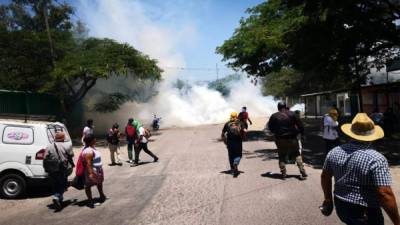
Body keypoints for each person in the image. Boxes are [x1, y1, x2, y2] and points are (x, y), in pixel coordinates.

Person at [320, 113, 400, 225]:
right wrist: (397, 222)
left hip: (341, 206)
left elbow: (325, 176)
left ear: (351, 133)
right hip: (365, 213)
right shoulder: (376, 159)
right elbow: (384, 193)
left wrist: (328, 199)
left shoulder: (334, 152)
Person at [267, 102, 307, 180]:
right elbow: (300, 125)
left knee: (281, 155)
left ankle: (284, 173)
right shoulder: (292, 114)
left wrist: (276, 132)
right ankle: (302, 171)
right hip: (292, 138)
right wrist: (302, 134)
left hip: (280, 139)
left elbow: (270, 127)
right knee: (297, 154)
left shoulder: (274, 116)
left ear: (278, 107)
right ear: (285, 106)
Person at [44, 132, 74, 210]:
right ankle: (57, 197)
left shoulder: (49, 146)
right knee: (62, 184)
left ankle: (59, 200)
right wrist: (72, 165)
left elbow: (45, 157)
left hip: (51, 169)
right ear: (63, 138)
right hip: (62, 168)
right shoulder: (66, 145)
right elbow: (70, 156)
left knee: (55, 185)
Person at [82, 134, 107, 208]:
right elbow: (88, 163)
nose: (96, 140)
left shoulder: (91, 148)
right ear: (92, 140)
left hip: (98, 169)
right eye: (94, 139)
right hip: (93, 170)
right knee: (88, 185)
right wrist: (91, 173)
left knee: (99, 183)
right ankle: (90, 202)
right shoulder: (88, 151)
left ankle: (102, 196)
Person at [221, 112, 243, 178]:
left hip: (230, 142)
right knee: (239, 154)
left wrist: (225, 142)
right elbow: (244, 131)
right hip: (238, 142)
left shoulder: (227, 123)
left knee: (231, 155)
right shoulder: (239, 123)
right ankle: (236, 162)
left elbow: (222, 134)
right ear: (236, 116)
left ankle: (232, 169)